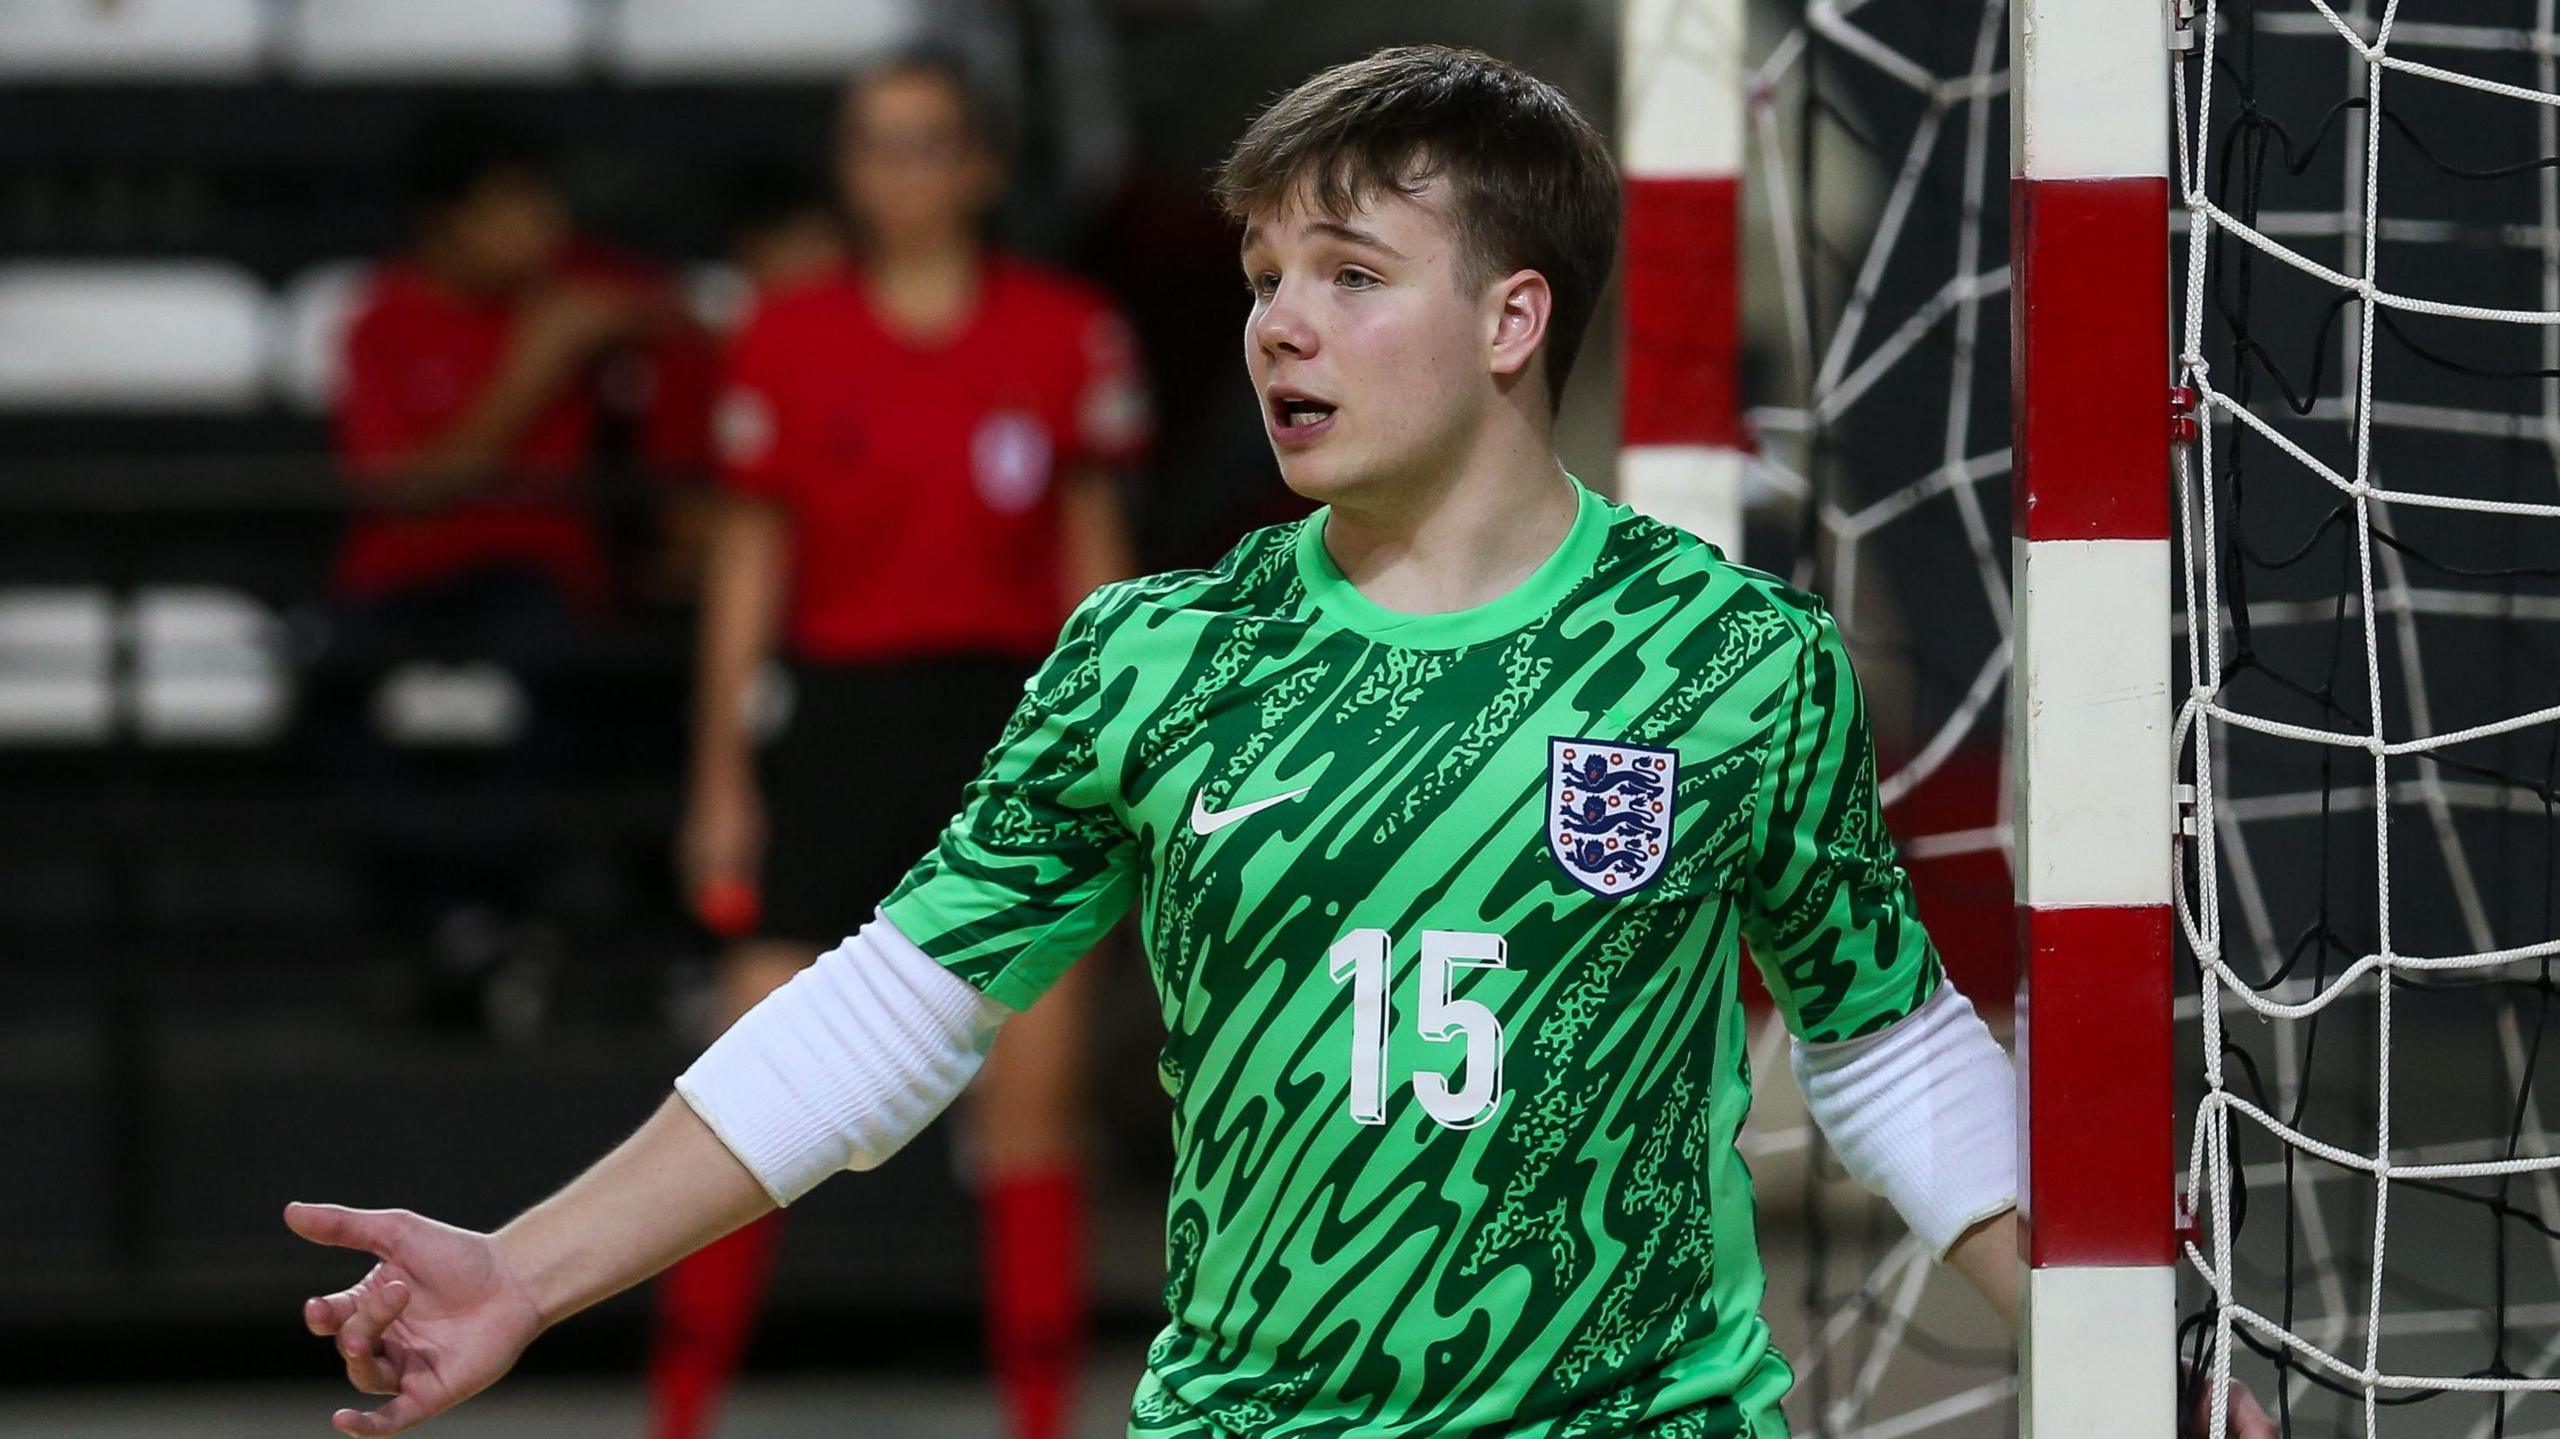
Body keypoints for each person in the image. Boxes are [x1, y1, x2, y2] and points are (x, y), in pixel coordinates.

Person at [286, 47, 2271, 1439]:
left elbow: (1883, 1040)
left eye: (1343, 277)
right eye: (1257, 284)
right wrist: (523, 1271)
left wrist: (2122, 1352)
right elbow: (875, 1022)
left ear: (1511, 317)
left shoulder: (1727, 656)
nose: (1274, 330)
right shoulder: (1150, 654)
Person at [651, 52, 1145, 1439]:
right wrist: (720, 778)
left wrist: (1114, 773)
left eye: (932, 145)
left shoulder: (1063, 330)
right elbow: (749, 565)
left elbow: (1093, 575)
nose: (903, 173)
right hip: (837, 729)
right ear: (848, 167)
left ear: (983, 166)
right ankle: (679, 1410)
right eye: (877, 145)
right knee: (747, 1090)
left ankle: (1039, 1416)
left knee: (1029, 1110)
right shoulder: (786, 332)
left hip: (1008, 728)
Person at [328, 111, 710, 1030]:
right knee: (332, 680)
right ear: (445, 224)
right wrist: (535, 363)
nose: (539, 226)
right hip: (403, 577)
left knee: (566, 668)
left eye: (542, 201)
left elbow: (697, 333)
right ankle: (440, 920)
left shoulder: (587, 288)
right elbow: (405, 493)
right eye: (510, 208)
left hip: (539, 577)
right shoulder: (382, 319)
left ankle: (499, 915)